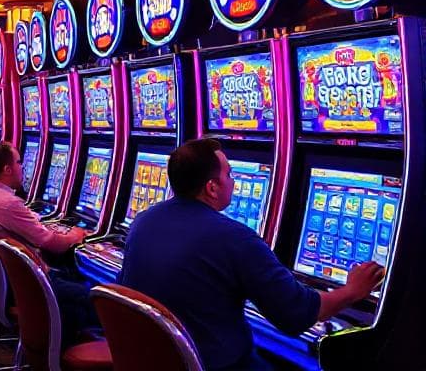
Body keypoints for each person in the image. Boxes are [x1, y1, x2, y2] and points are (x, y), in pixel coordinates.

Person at [119, 139, 386, 371]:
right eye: (230, 175)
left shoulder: (143, 221)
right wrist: (353, 290)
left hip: (151, 358)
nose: (234, 183)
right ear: (212, 188)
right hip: (215, 363)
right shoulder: (233, 237)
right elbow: (296, 316)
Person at [0, 142, 92, 344]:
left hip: (6, 281)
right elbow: (52, 243)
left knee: (74, 280)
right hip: (26, 285)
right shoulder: (7, 202)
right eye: (19, 162)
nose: (23, 167)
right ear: (7, 169)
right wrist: (75, 235)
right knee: (95, 296)